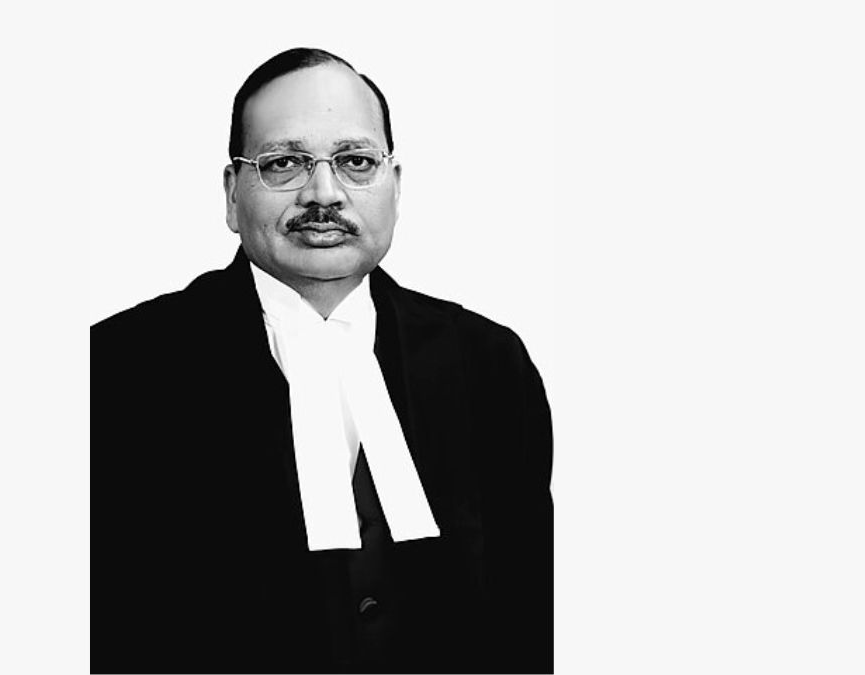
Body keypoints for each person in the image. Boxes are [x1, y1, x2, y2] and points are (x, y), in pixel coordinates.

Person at [92, 48, 552, 673]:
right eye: (283, 163)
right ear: (231, 194)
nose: (324, 193)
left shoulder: (491, 364)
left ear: (395, 185)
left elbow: (529, 611)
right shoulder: (113, 368)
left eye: (356, 161)